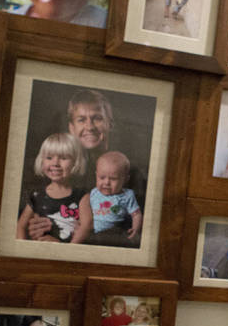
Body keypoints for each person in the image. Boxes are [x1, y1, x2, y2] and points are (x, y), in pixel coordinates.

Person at [27, 90, 146, 242]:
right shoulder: (59, 171)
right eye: (81, 120)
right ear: (71, 127)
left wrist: (90, 234)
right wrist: (37, 225)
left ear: (110, 124)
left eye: (97, 118)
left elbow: (138, 234)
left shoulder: (131, 173)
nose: (89, 127)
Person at [16, 132, 90, 243]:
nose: (55, 163)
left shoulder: (82, 196)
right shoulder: (37, 195)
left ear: (76, 162)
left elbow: (86, 226)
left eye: (64, 158)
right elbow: (20, 226)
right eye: (49, 157)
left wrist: (64, 249)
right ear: (41, 161)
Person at [88, 150, 143, 246]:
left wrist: (135, 229)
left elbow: (136, 214)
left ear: (125, 179)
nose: (106, 183)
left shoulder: (127, 195)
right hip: (94, 232)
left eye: (113, 179)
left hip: (115, 231)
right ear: (96, 175)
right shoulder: (94, 192)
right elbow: (86, 212)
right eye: (102, 177)